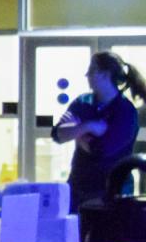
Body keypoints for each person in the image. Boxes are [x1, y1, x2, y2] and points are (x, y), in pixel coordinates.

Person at [51, 50, 144, 213]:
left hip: (111, 192)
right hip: (78, 186)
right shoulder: (83, 101)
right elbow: (57, 134)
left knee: (103, 236)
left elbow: (101, 150)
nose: (86, 75)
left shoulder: (125, 111)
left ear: (105, 74)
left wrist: (76, 133)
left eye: (91, 70)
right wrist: (88, 127)